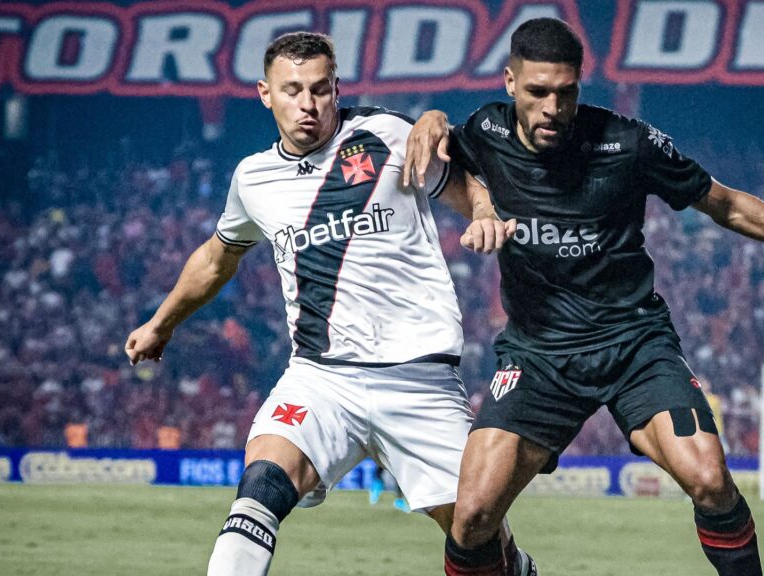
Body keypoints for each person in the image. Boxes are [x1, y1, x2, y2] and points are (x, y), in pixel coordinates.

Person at [405, 18, 764, 576]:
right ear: (510, 82)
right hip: (538, 354)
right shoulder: (485, 130)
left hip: (634, 346)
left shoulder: (627, 143)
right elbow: (444, 149)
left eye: (566, 93)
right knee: (472, 518)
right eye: (538, 92)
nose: (552, 108)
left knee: (710, 479)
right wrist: (432, 119)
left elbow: (727, 204)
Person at [125, 32, 530, 576]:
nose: (308, 104)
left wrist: (483, 211)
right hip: (321, 379)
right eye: (292, 90)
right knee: (260, 485)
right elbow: (218, 257)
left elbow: (465, 185)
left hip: (420, 380)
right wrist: (161, 323)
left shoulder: (387, 135)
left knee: (477, 534)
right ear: (265, 94)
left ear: (337, 88)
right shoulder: (253, 178)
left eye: (319, 89)